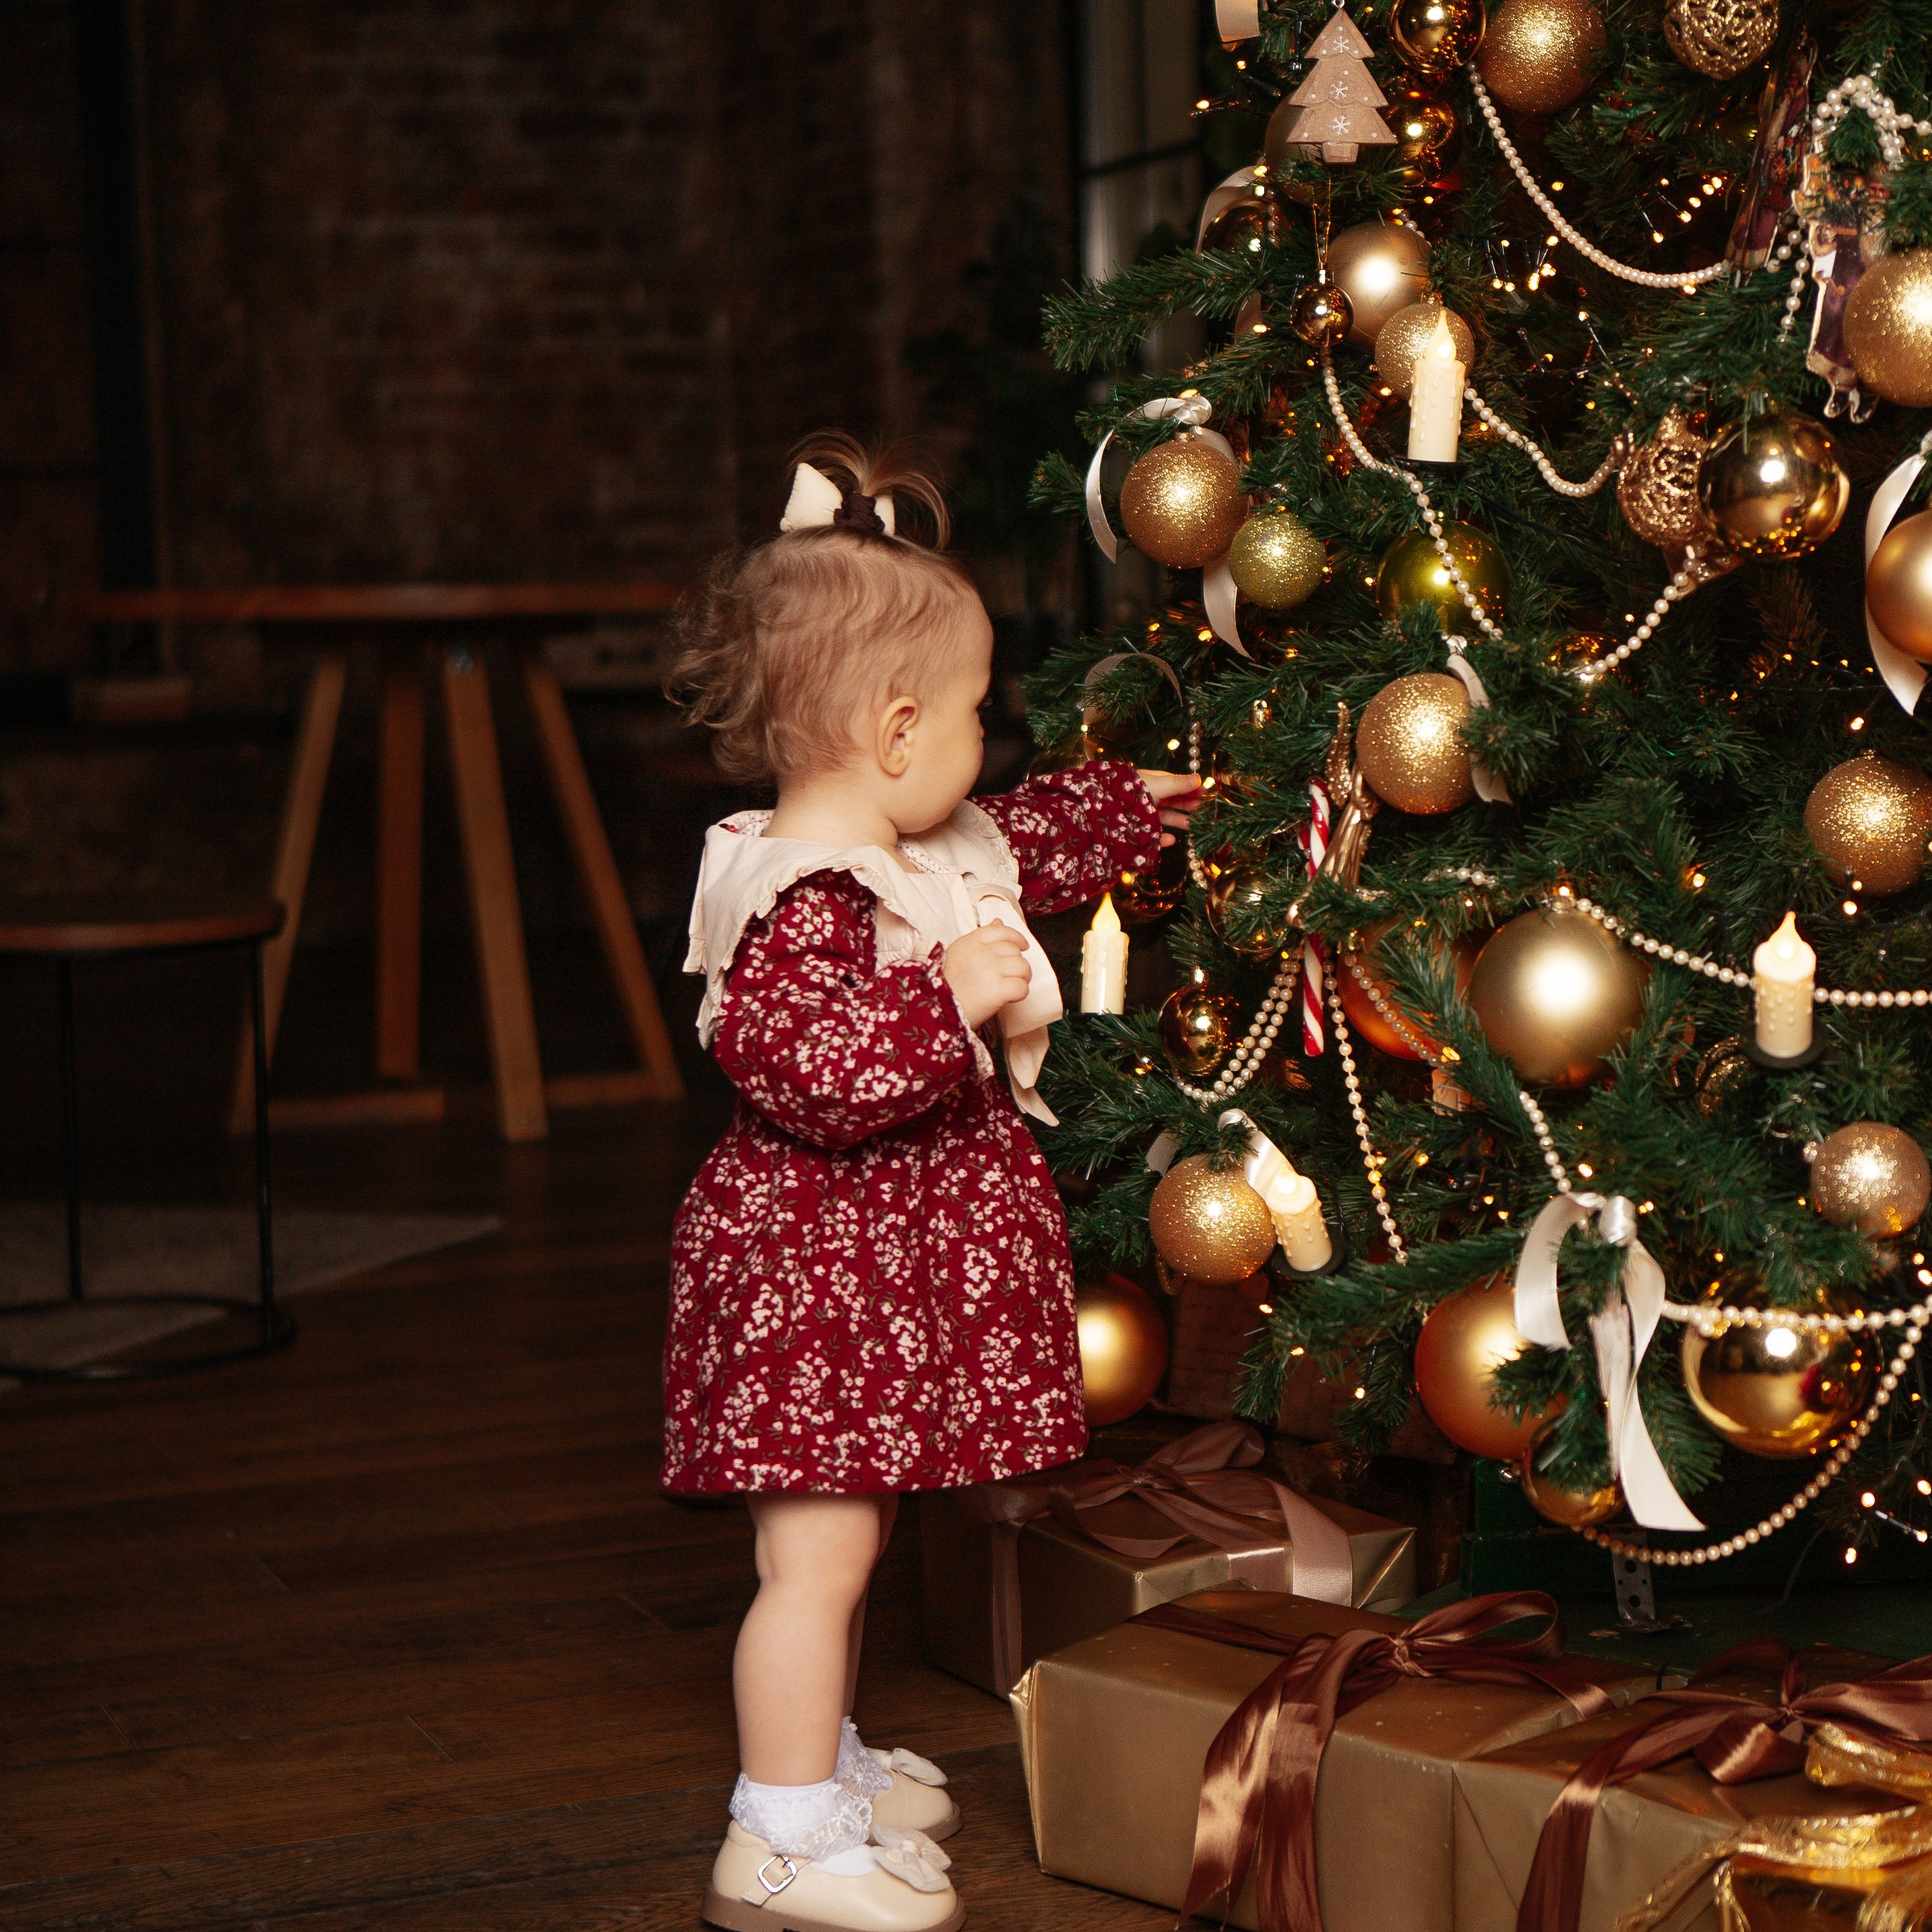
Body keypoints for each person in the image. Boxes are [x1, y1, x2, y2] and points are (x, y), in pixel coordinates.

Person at [663, 435, 1201, 1932]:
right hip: (809, 1284)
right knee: (813, 1559)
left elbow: (1009, 840)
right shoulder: (798, 895)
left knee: (845, 1542)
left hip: (865, 1287)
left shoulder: (913, 840)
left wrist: (1126, 807)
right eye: (973, 714)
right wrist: (945, 998)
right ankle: (772, 1840)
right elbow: (808, 1071)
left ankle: (815, 1760)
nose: (986, 739)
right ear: (896, 730)